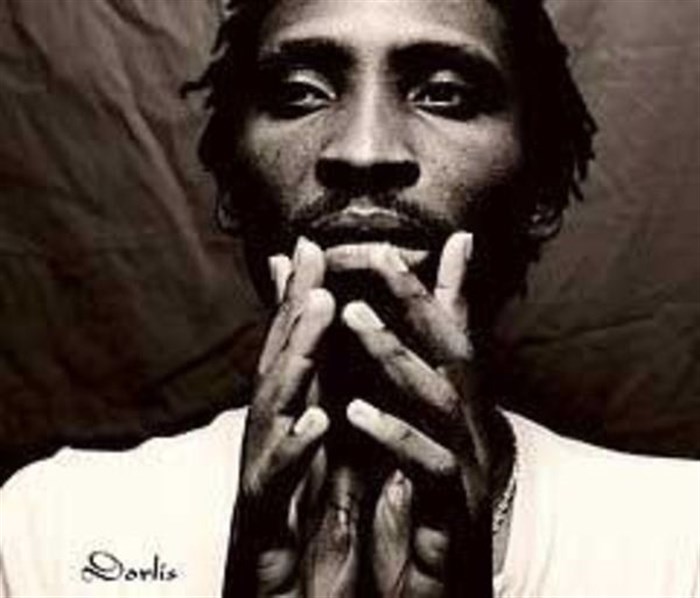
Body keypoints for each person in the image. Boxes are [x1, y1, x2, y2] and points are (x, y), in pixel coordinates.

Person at [0, 0, 698, 597]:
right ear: (231, 187)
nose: (363, 152)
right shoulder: (57, 525)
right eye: (300, 93)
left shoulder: (681, 538)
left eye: (444, 94)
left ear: (540, 190)